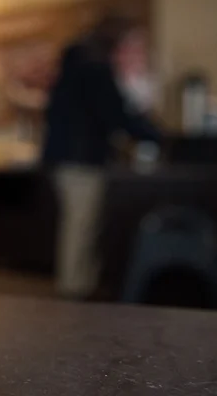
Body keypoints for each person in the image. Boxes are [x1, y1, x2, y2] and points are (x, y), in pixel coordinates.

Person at [42, 15, 161, 299]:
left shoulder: (77, 63)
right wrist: (155, 134)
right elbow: (115, 114)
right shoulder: (95, 67)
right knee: (81, 226)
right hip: (80, 158)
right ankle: (74, 291)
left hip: (67, 156)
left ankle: (80, 285)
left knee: (81, 224)